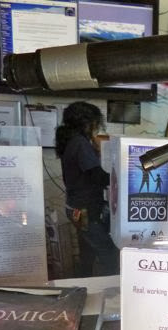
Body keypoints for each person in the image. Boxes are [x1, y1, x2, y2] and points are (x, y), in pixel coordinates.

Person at [55, 101, 119, 277]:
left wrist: (97, 151)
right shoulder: (80, 143)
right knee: (109, 253)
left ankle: (84, 285)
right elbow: (97, 176)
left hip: (75, 207)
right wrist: (121, 178)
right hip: (86, 210)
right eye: (96, 123)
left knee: (87, 254)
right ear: (87, 122)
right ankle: (110, 289)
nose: (97, 127)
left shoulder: (70, 140)